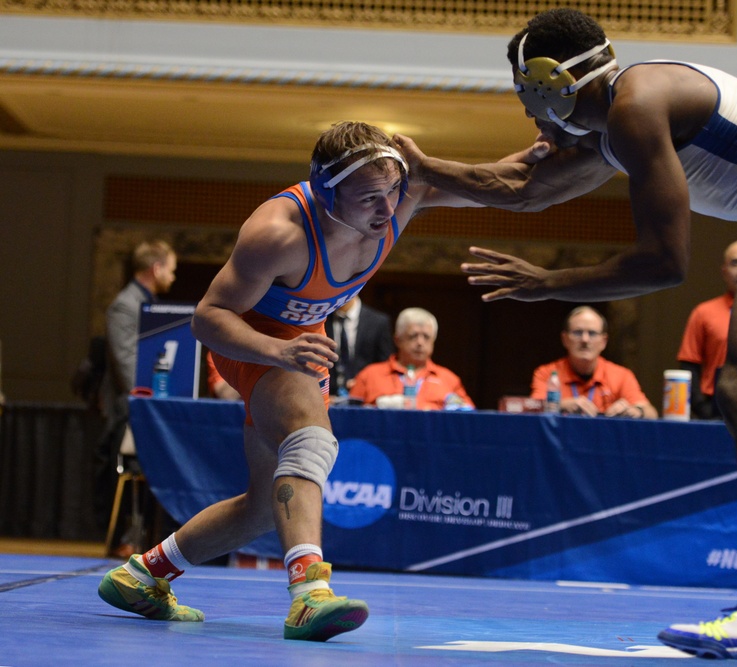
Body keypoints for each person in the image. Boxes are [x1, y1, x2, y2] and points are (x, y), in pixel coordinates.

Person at [393, 8, 737, 661]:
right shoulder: (622, 119)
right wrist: (423, 171)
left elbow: (666, 263)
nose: (530, 119)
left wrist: (551, 282)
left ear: (552, 85)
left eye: (528, 99)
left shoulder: (635, 106)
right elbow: (520, 186)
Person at [97, 121, 488, 641]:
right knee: (311, 442)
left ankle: (142, 575)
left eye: (393, 191)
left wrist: (571, 155)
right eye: (370, 196)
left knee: (263, 508)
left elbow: (499, 185)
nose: (386, 209)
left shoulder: (397, 202)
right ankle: (309, 595)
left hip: (300, 344)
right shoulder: (279, 232)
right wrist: (278, 351)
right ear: (327, 192)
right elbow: (207, 318)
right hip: (254, 340)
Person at [96, 240, 177, 553]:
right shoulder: (125, 305)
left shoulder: (149, 303)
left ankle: (144, 536)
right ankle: (123, 539)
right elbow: (126, 361)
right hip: (127, 411)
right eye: (171, 269)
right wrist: (150, 399)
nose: (173, 276)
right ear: (156, 268)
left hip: (143, 407)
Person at [677, 240, 737, 420]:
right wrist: (702, 409)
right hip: (713, 407)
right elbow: (689, 366)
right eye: (735, 263)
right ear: (724, 271)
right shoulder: (703, 313)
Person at [531, 305, 655, 418]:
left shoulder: (622, 375)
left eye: (592, 333)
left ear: (604, 341)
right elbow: (531, 408)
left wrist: (636, 411)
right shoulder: (547, 373)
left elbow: (651, 413)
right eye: (578, 332)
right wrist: (561, 405)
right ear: (565, 339)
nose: (585, 339)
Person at [349, 307, 474, 410]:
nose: (420, 342)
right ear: (398, 340)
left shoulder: (449, 380)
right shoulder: (369, 375)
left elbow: (467, 419)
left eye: (426, 337)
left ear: (433, 341)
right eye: (413, 336)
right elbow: (350, 417)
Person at [323, 294, 394, 397]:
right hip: (327, 397)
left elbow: (384, 366)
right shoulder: (320, 320)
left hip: (364, 397)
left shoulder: (378, 322)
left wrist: (363, 382)